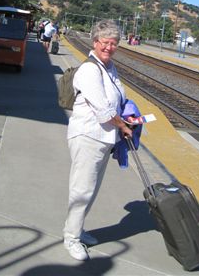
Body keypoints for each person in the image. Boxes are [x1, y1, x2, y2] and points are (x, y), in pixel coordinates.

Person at [63, 19, 132, 261]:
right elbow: (103, 110)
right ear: (95, 42)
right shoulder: (90, 70)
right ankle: (71, 238)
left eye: (114, 43)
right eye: (105, 42)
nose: (109, 47)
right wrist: (123, 125)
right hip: (88, 137)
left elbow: (119, 97)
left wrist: (130, 115)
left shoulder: (110, 68)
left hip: (104, 138)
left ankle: (78, 229)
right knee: (81, 190)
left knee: (90, 189)